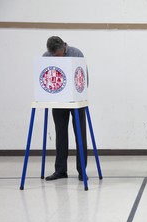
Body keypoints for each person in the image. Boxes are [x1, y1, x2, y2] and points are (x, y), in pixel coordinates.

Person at [43, 36, 88, 181]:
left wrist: (80, 95)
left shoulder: (76, 53)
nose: (55, 57)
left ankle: (82, 171)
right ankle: (60, 170)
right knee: (60, 136)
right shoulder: (46, 56)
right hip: (58, 102)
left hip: (76, 102)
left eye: (57, 55)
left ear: (64, 47)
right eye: (53, 55)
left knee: (80, 136)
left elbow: (84, 77)